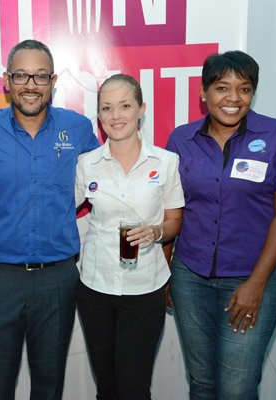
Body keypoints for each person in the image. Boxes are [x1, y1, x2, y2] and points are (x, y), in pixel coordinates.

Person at [166, 50, 276, 399]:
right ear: (204, 93)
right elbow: (172, 210)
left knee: (237, 388)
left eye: (244, 89)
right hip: (190, 278)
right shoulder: (180, 140)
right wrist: (166, 273)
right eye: (221, 88)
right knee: (201, 384)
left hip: (250, 278)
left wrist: (256, 284)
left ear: (253, 94)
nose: (233, 98)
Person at [0, 39, 100, 400]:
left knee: (48, 386)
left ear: (53, 81)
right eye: (21, 75)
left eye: (40, 76)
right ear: (7, 81)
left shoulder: (77, 129)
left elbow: (104, 185)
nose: (30, 85)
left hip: (58, 279)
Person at [74, 74, 184, 400]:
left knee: (135, 388)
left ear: (141, 109)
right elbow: (61, 211)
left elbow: (175, 220)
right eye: (107, 108)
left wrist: (156, 232)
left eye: (125, 105)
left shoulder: (165, 163)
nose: (116, 115)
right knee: (107, 388)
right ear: (98, 115)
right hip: (96, 287)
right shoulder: (87, 163)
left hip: (145, 288)